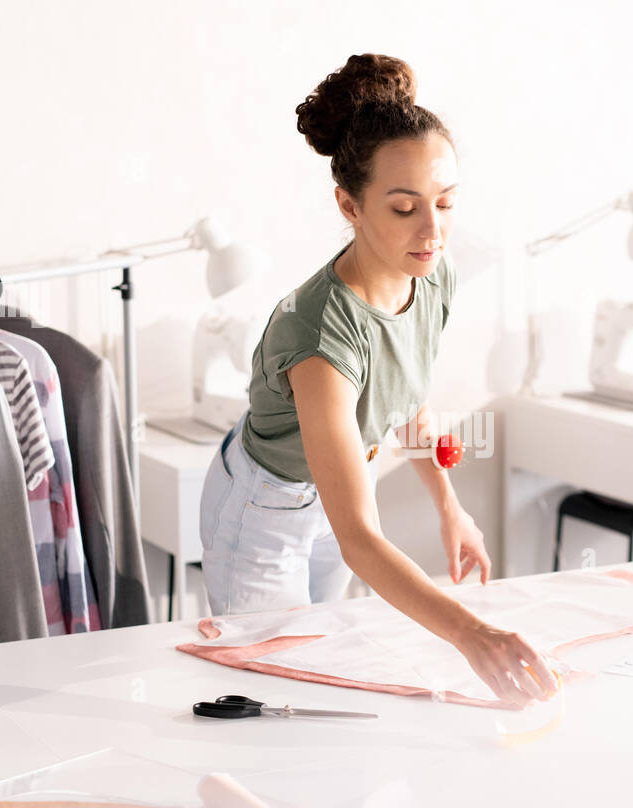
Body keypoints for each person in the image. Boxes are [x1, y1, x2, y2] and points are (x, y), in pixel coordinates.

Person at [199, 53, 556, 707]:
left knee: (324, 669)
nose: (433, 229)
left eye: (445, 203)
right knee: (274, 696)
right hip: (265, 511)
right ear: (350, 204)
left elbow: (405, 392)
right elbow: (364, 539)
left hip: (337, 496)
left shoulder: (430, 271)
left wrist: (451, 508)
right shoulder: (321, 336)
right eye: (404, 208)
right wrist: (473, 635)